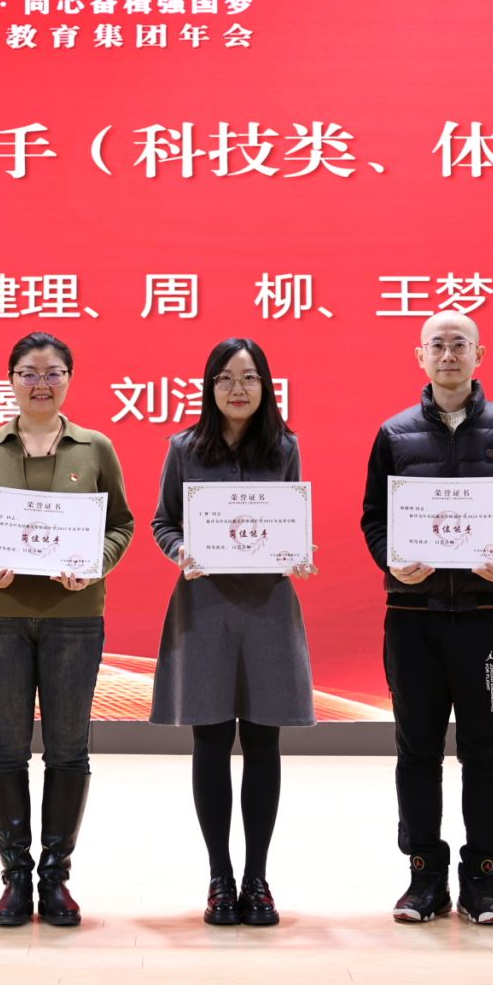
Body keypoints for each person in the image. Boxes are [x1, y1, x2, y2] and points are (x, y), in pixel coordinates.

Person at [358, 312, 493, 925]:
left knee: (486, 752)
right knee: (416, 750)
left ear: (479, 354)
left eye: (459, 344)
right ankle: (424, 876)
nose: (448, 355)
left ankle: (482, 877)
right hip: (412, 616)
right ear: (420, 356)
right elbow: (374, 518)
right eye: (437, 345)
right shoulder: (394, 434)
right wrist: (393, 559)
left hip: (488, 615)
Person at [0, 332, 134, 927]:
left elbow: (121, 525)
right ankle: (14, 878)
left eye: (53, 372)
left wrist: (95, 563)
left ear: (69, 380)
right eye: (29, 373)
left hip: (74, 620)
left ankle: (55, 877)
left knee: (68, 748)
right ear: (11, 380)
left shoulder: (95, 448)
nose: (41, 384)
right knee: (4, 747)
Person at [149, 338, 317, 927]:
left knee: (265, 743)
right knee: (212, 740)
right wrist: (180, 550)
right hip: (205, 606)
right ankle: (220, 876)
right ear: (210, 387)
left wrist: (298, 551)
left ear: (265, 386)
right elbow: (163, 521)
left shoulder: (285, 448)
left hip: (269, 607)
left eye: (248, 378)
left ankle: (257, 878)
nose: (237, 389)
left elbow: (291, 522)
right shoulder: (184, 448)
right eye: (224, 378)